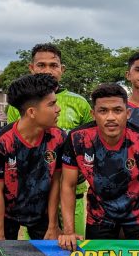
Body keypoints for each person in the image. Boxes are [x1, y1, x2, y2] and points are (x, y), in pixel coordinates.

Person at [58, 83, 139, 251]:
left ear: (128, 113)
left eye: (117, 110)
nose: (110, 117)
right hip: (99, 216)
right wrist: (68, 232)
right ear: (93, 114)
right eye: (103, 111)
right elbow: (68, 184)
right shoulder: (76, 139)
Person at [7, 43, 92, 237]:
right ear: (31, 68)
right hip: (35, 193)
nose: (47, 70)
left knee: (74, 247)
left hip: (73, 191)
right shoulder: (18, 105)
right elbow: (14, 146)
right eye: (41, 65)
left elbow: (90, 144)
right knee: (37, 253)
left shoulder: (80, 103)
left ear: (62, 69)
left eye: (53, 65)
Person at [0, 74, 66, 240]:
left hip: (42, 211)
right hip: (5, 213)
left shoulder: (59, 138)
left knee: (51, 254)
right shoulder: (1, 144)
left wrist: (53, 225)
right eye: (52, 104)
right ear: (32, 112)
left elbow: (55, 182)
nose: (58, 109)